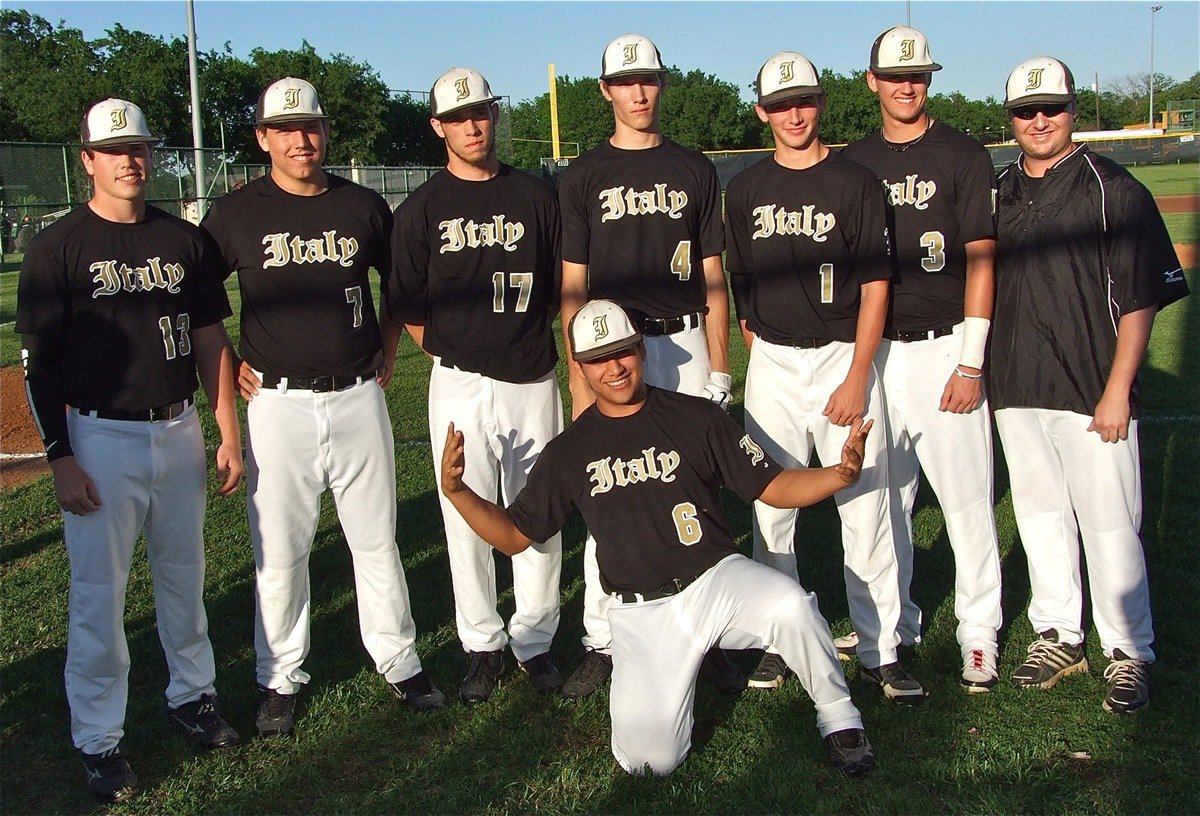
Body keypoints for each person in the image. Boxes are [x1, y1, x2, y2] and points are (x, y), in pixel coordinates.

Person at [440, 298, 876, 777]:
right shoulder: (569, 452)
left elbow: (773, 486)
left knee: (791, 604)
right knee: (650, 764)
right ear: (581, 369)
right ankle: (678, 680)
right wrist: (458, 492)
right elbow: (513, 537)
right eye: (599, 359)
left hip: (715, 582)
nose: (615, 367)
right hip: (641, 612)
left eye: (623, 351)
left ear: (641, 350)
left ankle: (841, 720)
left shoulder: (695, 418)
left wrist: (838, 474)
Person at [201, 77, 444, 736]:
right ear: (262, 139)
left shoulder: (363, 206)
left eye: (309, 126)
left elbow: (396, 288)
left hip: (357, 395)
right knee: (280, 550)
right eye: (284, 129)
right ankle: (280, 675)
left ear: (325, 132)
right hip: (276, 404)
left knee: (376, 539)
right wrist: (231, 368)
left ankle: (399, 658)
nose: (300, 139)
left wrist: (387, 346)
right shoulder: (236, 213)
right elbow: (200, 307)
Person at [16, 98, 243, 802]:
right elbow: (39, 363)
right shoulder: (58, 247)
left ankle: (194, 698)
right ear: (86, 159)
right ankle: (99, 738)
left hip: (176, 429)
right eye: (114, 149)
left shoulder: (184, 241)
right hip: (99, 434)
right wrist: (59, 455)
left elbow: (211, 341)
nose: (129, 159)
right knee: (98, 595)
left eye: (139, 147)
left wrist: (227, 430)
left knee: (184, 578)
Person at [724, 51, 924, 703]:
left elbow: (875, 285)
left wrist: (858, 374)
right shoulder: (747, 190)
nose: (793, 113)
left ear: (822, 103)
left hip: (843, 354)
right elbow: (743, 283)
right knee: (770, 508)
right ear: (762, 112)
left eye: (803, 100)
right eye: (780, 104)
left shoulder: (855, 183)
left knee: (864, 506)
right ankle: (779, 642)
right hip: (775, 364)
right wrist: (761, 346)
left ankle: (879, 648)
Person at [991, 57, 1188, 713]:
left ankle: (1129, 651)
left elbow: (1139, 301)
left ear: (1074, 109)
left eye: (1051, 107)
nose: (1039, 120)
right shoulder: (998, 190)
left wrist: (1118, 389)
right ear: (1011, 118)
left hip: (1090, 388)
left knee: (1109, 526)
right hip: (1016, 385)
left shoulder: (1114, 189)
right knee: (1041, 517)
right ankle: (1059, 634)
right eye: (1026, 110)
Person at [557, 33, 734, 698]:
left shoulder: (694, 169)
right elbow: (572, 289)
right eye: (624, 82)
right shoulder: (583, 176)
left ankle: (706, 633)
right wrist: (580, 383)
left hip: (685, 342)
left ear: (662, 84)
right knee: (612, 489)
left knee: (696, 491)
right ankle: (603, 639)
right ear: (604, 89)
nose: (637, 93)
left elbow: (713, 275)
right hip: (613, 353)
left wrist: (720, 369)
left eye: (649, 80)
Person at [390, 67, 564, 704]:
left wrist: (512, 343)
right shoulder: (420, 210)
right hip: (459, 382)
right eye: (458, 117)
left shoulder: (537, 198)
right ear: (438, 126)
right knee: (463, 508)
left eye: (482, 112)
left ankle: (537, 640)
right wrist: (458, 352)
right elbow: (408, 309)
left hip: (532, 376)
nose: (472, 125)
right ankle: (482, 644)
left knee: (538, 509)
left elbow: (554, 293)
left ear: (494, 115)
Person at [841, 26, 1003, 692]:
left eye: (920, 75)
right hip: (876, 359)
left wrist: (970, 361)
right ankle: (891, 625)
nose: (909, 85)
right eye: (896, 75)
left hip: (942, 349)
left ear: (929, 80)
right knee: (882, 499)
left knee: (967, 503)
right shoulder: (851, 163)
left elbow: (982, 260)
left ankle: (979, 633)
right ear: (872, 80)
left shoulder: (962, 154)